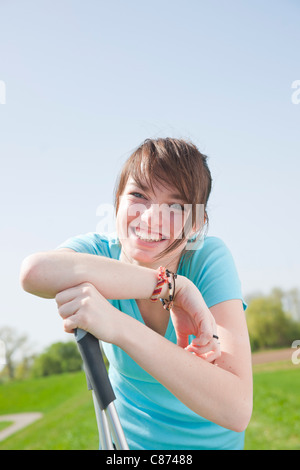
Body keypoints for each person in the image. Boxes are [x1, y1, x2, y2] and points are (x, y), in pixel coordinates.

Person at [20, 137, 253, 450]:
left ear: (196, 223)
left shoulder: (206, 258)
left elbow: (236, 409)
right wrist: (172, 286)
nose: (150, 217)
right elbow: (34, 273)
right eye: (138, 195)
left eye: (174, 206)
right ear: (118, 201)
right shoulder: (97, 253)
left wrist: (118, 327)